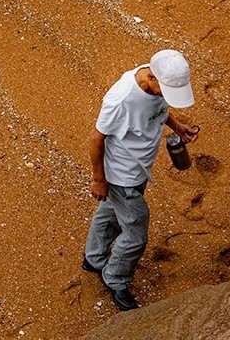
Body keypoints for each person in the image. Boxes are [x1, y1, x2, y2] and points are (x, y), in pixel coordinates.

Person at [83, 49, 199, 311]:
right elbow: (96, 138)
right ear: (151, 77)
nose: (165, 96)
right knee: (136, 233)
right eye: (165, 90)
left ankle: (93, 258)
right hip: (122, 175)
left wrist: (177, 126)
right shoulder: (120, 99)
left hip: (138, 170)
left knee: (110, 212)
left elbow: (159, 108)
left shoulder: (157, 77)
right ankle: (115, 279)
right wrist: (99, 179)